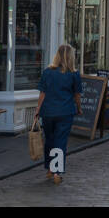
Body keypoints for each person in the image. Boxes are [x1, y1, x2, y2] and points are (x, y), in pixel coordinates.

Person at [35, 44, 82, 185]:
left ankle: (49, 169)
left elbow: (42, 93)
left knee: (49, 139)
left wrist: (37, 110)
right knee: (60, 141)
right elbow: (77, 95)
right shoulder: (74, 74)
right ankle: (56, 172)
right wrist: (78, 108)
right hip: (65, 111)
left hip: (48, 111)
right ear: (71, 57)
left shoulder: (48, 72)